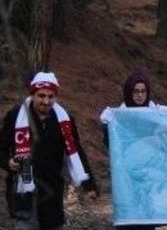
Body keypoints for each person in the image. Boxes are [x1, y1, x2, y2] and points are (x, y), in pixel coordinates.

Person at [1, 71, 99, 230]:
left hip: (52, 189)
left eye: (51, 96)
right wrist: (8, 162)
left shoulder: (64, 120)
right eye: (41, 96)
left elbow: (76, 151)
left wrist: (89, 185)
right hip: (22, 189)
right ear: (33, 94)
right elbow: (2, 149)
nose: (46, 101)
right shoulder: (15, 116)